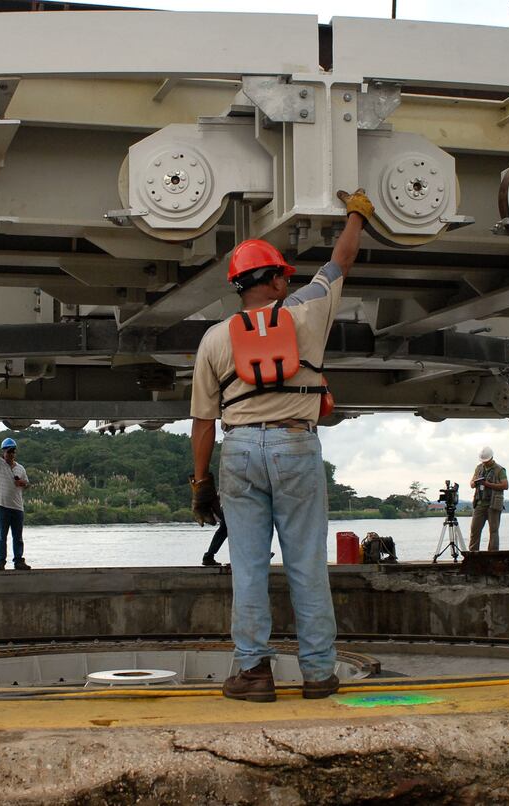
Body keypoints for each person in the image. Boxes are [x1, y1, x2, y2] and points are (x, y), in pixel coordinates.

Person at [188, 187, 372, 703]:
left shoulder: (215, 339)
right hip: (295, 445)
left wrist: (201, 485)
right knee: (307, 563)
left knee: (247, 567)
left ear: (238, 287)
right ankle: (317, 673)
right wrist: (356, 214)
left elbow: (203, 422)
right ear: (274, 281)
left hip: (240, 449)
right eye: (282, 275)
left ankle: (252, 673)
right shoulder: (306, 311)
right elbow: (341, 261)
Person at [0, 429, 31, 570]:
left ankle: (18, 561)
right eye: (8, 451)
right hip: (3, 506)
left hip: (17, 507)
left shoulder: (20, 468)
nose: (10, 454)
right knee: (1, 537)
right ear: (3, 452)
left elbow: (27, 484)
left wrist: (22, 483)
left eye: (13, 451)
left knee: (18, 537)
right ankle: (1, 562)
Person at [468, 446, 509, 552]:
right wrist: (475, 482)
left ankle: (493, 555)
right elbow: (471, 484)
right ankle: (473, 555)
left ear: (491, 458)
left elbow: (505, 485)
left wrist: (488, 484)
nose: (485, 463)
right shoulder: (479, 468)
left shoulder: (500, 470)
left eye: (487, 461)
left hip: (493, 504)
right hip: (480, 504)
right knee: (474, 530)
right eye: (483, 461)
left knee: (493, 532)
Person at [202, 500, 229, 566]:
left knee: (223, 531)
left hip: (228, 507)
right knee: (223, 531)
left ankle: (208, 556)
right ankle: (208, 556)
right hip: (232, 508)